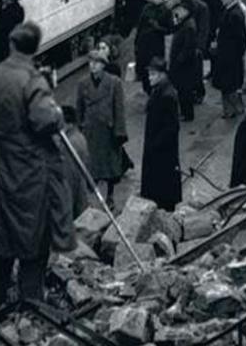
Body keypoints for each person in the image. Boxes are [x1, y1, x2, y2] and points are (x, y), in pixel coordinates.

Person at [0, 21, 74, 307]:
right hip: (28, 174)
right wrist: (55, 109)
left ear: (11, 44)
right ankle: (31, 303)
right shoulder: (32, 80)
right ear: (35, 48)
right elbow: (44, 121)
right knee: (33, 241)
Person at [76, 47, 128, 206]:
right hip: (90, 130)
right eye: (90, 62)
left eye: (96, 63)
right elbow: (79, 108)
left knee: (110, 166)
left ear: (103, 65)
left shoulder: (114, 83)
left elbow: (119, 108)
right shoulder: (82, 83)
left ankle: (110, 196)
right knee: (91, 166)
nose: (92, 65)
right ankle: (92, 199)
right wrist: (79, 127)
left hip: (108, 130)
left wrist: (120, 131)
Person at [140, 57, 182, 212]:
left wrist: (155, 145)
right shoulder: (161, 91)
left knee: (161, 192)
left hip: (162, 154)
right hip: (158, 151)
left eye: (152, 74)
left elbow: (172, 127)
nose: (149, 77)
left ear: (161, 74)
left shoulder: (166, 95)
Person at [213, 0, 246, 119]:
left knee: (229, 85)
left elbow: (240, 38)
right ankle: (231, 109)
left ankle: (233, 109)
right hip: (227, 54)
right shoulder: (230, 11)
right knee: (228, 84)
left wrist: (236, 54)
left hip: (230, 55)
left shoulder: (234, 14)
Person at [135, 0, 172, 89]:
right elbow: (140, 25)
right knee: (143, 69)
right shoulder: (147, 8)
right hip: (144, 44)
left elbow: (169, 30)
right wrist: (137, 43)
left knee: (155, 67)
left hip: (156, 45)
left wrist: (158, 27)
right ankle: (146, 87)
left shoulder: (166, 11)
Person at [167, 3, 199, 122]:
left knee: (184, 90)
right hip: (183, 63)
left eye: (179, 10)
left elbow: (188, 47)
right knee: (183, 89)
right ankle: (185, 112)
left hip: (184, 65)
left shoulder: (188, 26)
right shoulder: (184, 23)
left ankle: (187, 114)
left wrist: (179, 60)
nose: (177, 13)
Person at [60, 107, 90, 219]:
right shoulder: (79, 137)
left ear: (69, 124)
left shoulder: (70, 143)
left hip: (73, 197)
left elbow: (69, 177)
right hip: (80, 191)